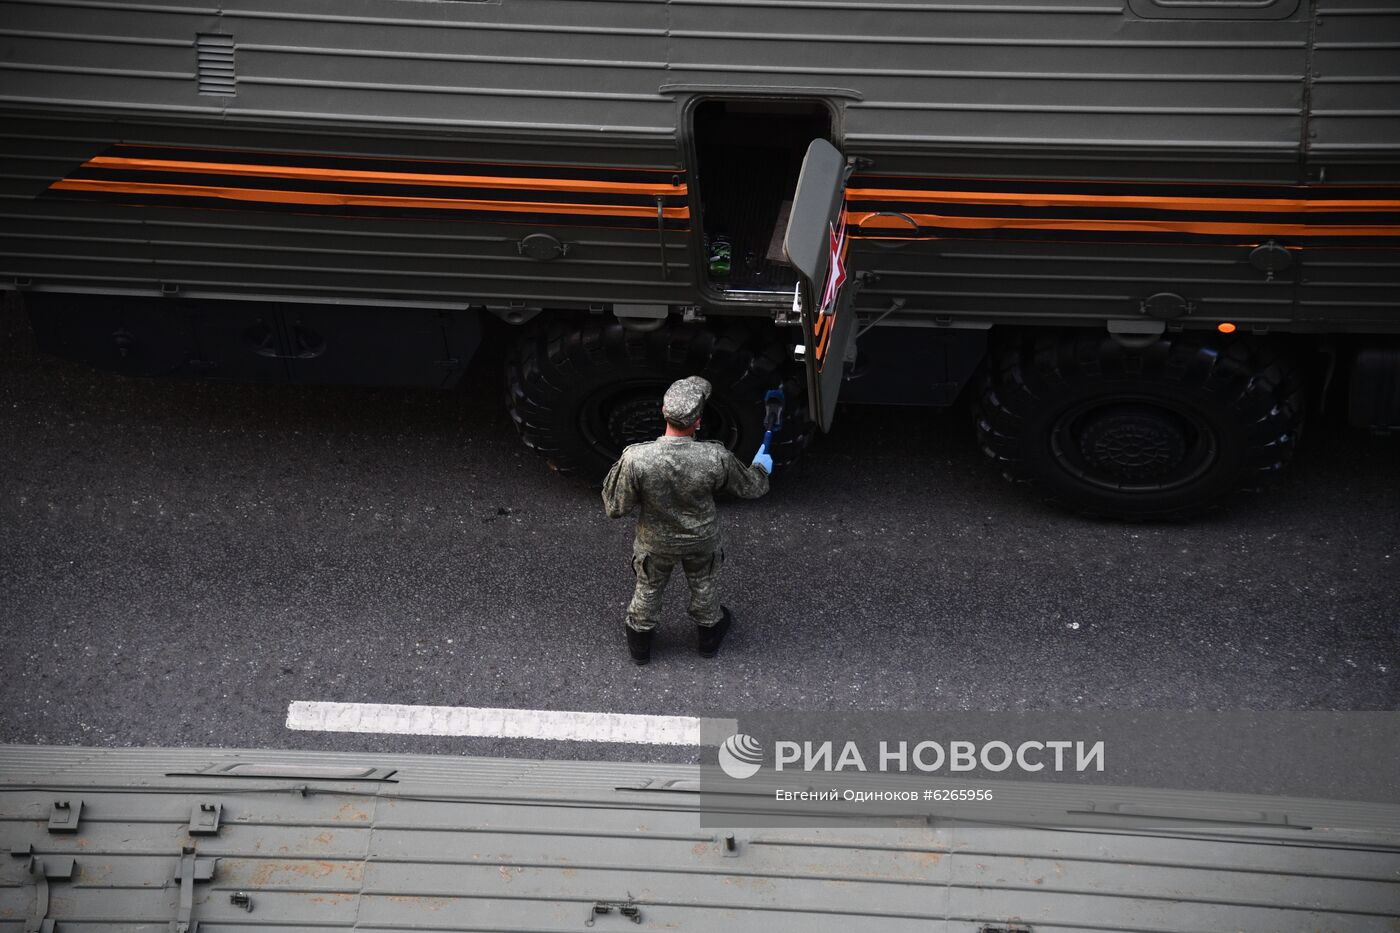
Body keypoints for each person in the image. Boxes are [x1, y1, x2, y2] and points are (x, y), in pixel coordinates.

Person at [601, 376, 772, 665]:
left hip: (655, 542)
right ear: (698, 422)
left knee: (649, 587)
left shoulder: (636, 458)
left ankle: (640, 646)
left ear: (663, 413)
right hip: (702, 539)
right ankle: (708, 639)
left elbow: (615, 507)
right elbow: (752, 487)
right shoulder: (714, 456)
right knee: (704, 584)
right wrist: (761, 467)